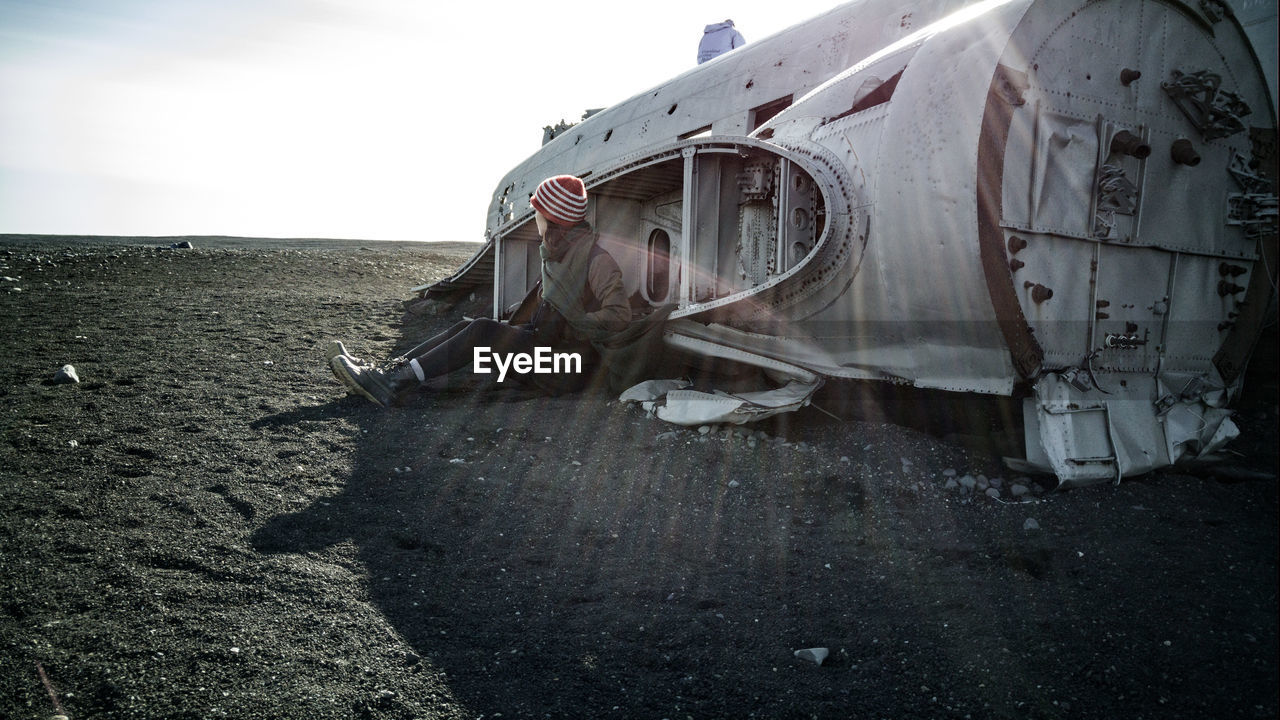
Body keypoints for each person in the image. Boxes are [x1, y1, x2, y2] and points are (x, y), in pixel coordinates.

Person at [329, 175, 631, 407]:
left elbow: (619, 317)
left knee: (483, 331)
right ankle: (389, 373)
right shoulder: (559, 255)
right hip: (547, 354)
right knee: (469, 326)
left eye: (539, 212)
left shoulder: (596, 260)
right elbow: (551, 304)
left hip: (568, 367)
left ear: (554, 219)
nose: (535, 218)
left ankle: (393, 384)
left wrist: (575, 319)